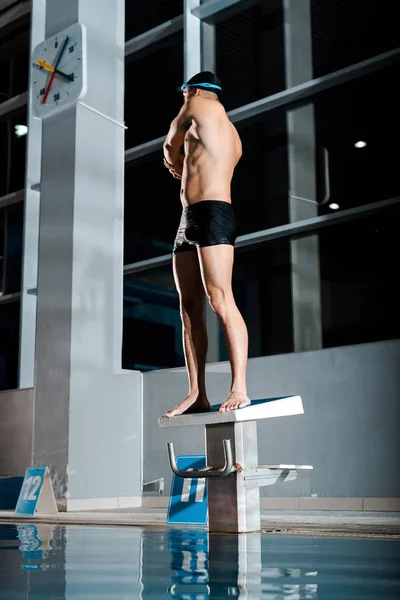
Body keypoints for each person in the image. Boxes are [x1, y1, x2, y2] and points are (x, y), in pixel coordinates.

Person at [163, 71, 250, 417]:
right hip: (191, 216)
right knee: (189, 307)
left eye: (184, 92)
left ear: (195, 90)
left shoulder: (196, 104)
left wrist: (176, 162)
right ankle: (197, 393)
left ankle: (239, 386)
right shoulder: (232, 133)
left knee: (220, 298)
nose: (184, 98)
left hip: (212, 213)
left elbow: (170, 146)